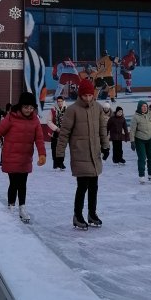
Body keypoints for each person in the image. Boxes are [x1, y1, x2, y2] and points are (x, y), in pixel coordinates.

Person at [0, 91, 46, 222]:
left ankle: (22, 207)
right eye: (26, 107)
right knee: (14, 182)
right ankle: (11, 206)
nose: (28, 110)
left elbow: (39, 139)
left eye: (31, 107)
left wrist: (42, 154)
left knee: (23, 183)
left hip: (25, 157)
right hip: (11, 155)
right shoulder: (10, 118)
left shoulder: (35, 120)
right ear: (21, 106)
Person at [56, 77, 109, 230]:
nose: (87, 98)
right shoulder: (72, 110)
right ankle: (77, 216)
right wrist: (59, 155)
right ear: (80, 95)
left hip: (95, 154)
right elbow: (64, 133)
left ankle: (92, 214)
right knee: (82, 186)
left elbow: (102, 130)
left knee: (94, 186)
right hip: (80, 154)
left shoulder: (97, 108)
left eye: (90, 95)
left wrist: (106, 146)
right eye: (84, 95)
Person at [129, 99, 151, 183]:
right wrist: (132, 141)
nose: (145, 108)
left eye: (146, 106)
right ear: (139, 107)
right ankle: (141, 176)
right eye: (143, 106)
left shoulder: (150, 114)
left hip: (150, 139)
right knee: (142, 158)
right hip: (140, 140)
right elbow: (132, 130)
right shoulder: (136, 117)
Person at [44, 93, 68, 170]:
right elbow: (49, 121)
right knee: (54, 148)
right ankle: (55, 162)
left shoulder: (67, 110)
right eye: (58, 101)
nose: (60, 103)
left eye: (61, 101)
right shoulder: (53, 110)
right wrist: (56, 128)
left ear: (63, 101)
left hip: (63, 132)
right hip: (55, 132)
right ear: (57, 102)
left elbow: (69, 120)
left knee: (62, 147)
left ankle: (61, 163)